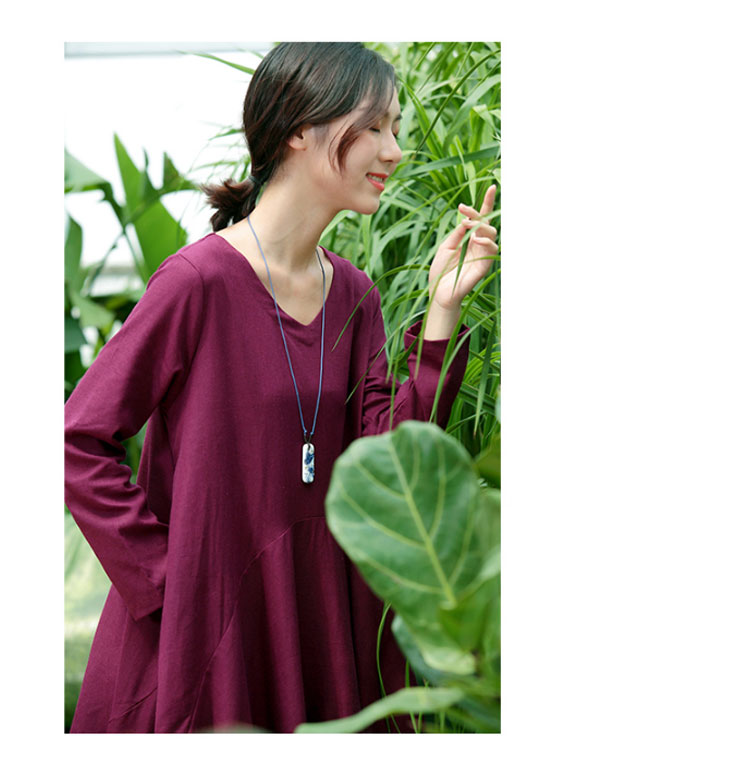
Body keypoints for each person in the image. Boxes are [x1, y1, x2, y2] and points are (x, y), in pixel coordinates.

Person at [64, 42, 499, 733]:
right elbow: (77, 440)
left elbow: (390, 457)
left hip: (322, 620)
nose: (394, 150)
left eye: (395, 129)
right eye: (375, 127)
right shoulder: (197, 283)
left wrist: (443, 308)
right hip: (210, 637)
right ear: (300, 129)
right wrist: (169, 580)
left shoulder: (354, 294)